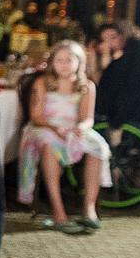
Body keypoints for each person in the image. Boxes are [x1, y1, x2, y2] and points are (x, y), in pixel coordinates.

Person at [17, 40, 111, 234]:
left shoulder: (87, 86)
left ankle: (89, 208)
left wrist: (80, 127)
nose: (64, 64)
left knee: (98, 147)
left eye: (69, 60)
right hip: (45, 126)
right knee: (48, 144)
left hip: (72, 128)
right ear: (52, 62)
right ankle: (59, 212)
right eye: (59, 60)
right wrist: (54, 127)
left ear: (79, 62)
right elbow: (36, 116)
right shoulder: (42, 83)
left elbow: (87, 118)